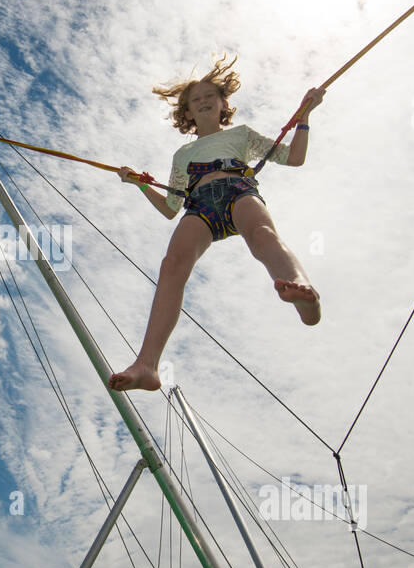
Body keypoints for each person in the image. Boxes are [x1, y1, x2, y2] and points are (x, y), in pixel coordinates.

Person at [108, 54, 323, 392]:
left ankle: (301, 289)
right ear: (188, 113)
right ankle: (147, 364)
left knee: (262, 234)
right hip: (199, 207)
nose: (204, 100)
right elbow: (170, 207)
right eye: (197, 99)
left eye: (211, 95)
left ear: (224, 104)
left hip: (239, 191)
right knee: (172, 265)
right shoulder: (182, 156)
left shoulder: (242, 135)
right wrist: (141, 184)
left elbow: (293, 157)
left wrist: (304, 117)